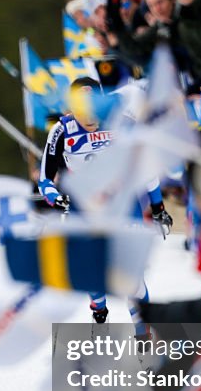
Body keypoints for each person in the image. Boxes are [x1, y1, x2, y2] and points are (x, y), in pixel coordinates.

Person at [38, 77, 172, 325]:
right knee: (93, 272)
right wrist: (56, 199)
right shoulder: (61, 130)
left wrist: (158, 207)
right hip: (86, 208)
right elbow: (45, 179)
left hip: (123, 205)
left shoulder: (123, 122)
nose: (89, 117)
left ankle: (144, 334)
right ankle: (99, 310)